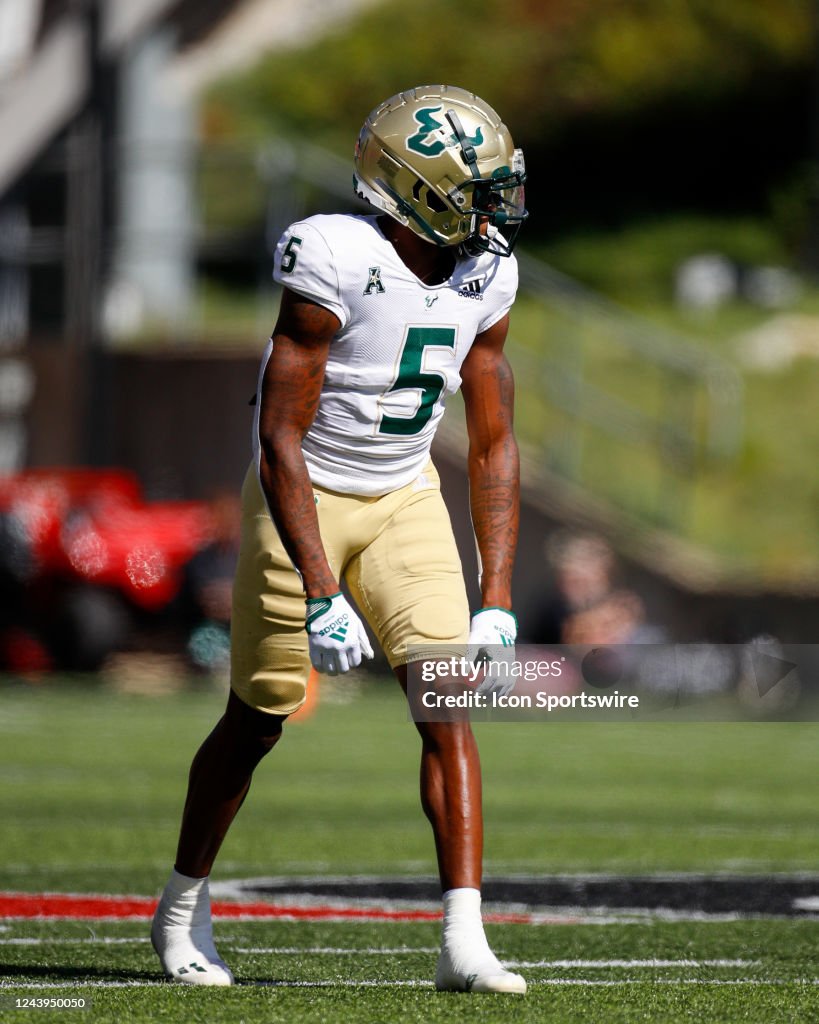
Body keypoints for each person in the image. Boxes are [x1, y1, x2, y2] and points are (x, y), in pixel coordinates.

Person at [151, 84, 528, 994]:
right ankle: (177, 907)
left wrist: (499, 598)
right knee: (259, 717)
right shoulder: (333, 257)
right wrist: (321, 588)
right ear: (418, 189)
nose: (494, 207)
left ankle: (462, 941)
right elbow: (278, 435)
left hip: (404, 495)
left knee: (445, 704)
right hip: (304, 495)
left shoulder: (490, 272)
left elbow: (491, 440)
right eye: (475, 189)